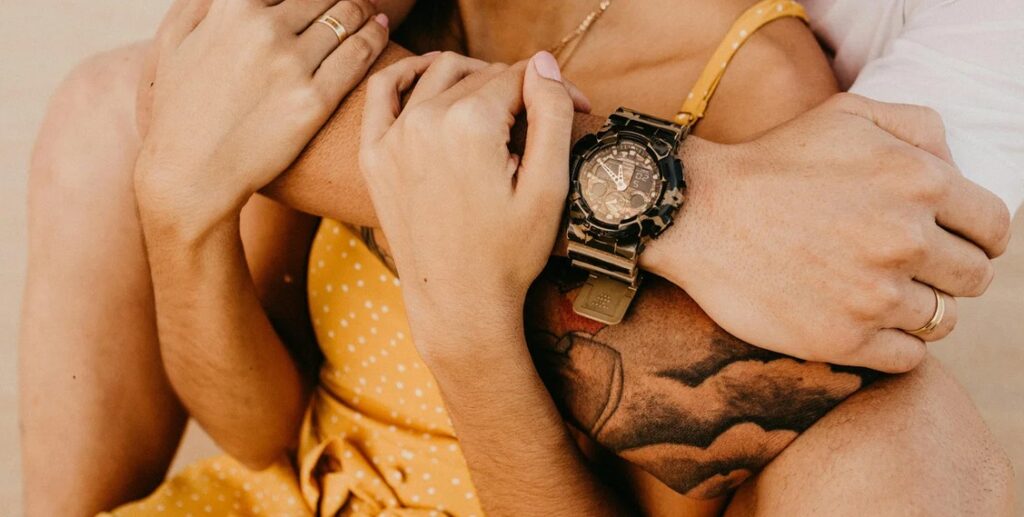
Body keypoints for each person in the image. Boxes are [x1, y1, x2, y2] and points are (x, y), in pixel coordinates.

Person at [20, 0, 1019, 515]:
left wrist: (470, 331)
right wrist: (180, 220)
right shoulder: (388, 26)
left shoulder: (756, 92)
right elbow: (258, 432)